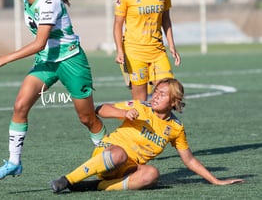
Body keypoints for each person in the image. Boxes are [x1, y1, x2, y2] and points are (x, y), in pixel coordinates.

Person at [0, 0, 106, 180]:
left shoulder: (49, 0)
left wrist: (5, 58)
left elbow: (40, 42)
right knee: (20, 105)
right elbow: (43, 47)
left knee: (87, 118)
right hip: (46, 61)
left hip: (71, 60)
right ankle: (13, 162)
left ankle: (108, 153)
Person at [50, 78, 244, 193]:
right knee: (119, 154)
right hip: (107, 156)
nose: (156, 96)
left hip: (128, 169)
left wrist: (216, 180)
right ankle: (68, 180)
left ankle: (96, 186)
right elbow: (100, 109)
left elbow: (189, 160)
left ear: (174, 102)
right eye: (156, 92)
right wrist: (123, 113)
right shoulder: (141, 107)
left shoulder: (176, 128)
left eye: (163, 94)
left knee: (152, 175)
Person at [113, 0, 181, 101]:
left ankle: (166, 125)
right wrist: (119, 50)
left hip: (157, 52)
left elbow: (166, 20)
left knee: (169, 95)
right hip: (134, 53)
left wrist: (172, 46)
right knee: (141, 102)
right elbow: (117, 25)